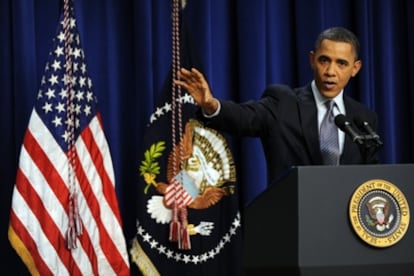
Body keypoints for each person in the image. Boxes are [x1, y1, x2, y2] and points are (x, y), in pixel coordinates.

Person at [174, 26, 380, 186]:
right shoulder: (284, 102)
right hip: (294, 220)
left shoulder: (363, 118)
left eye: (341, 63)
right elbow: (245, 117)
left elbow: (371, 178)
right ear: (312, 60)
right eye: (324, 60)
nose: (330, 71)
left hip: (345, 224)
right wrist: (211, 105)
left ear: (355, 68)